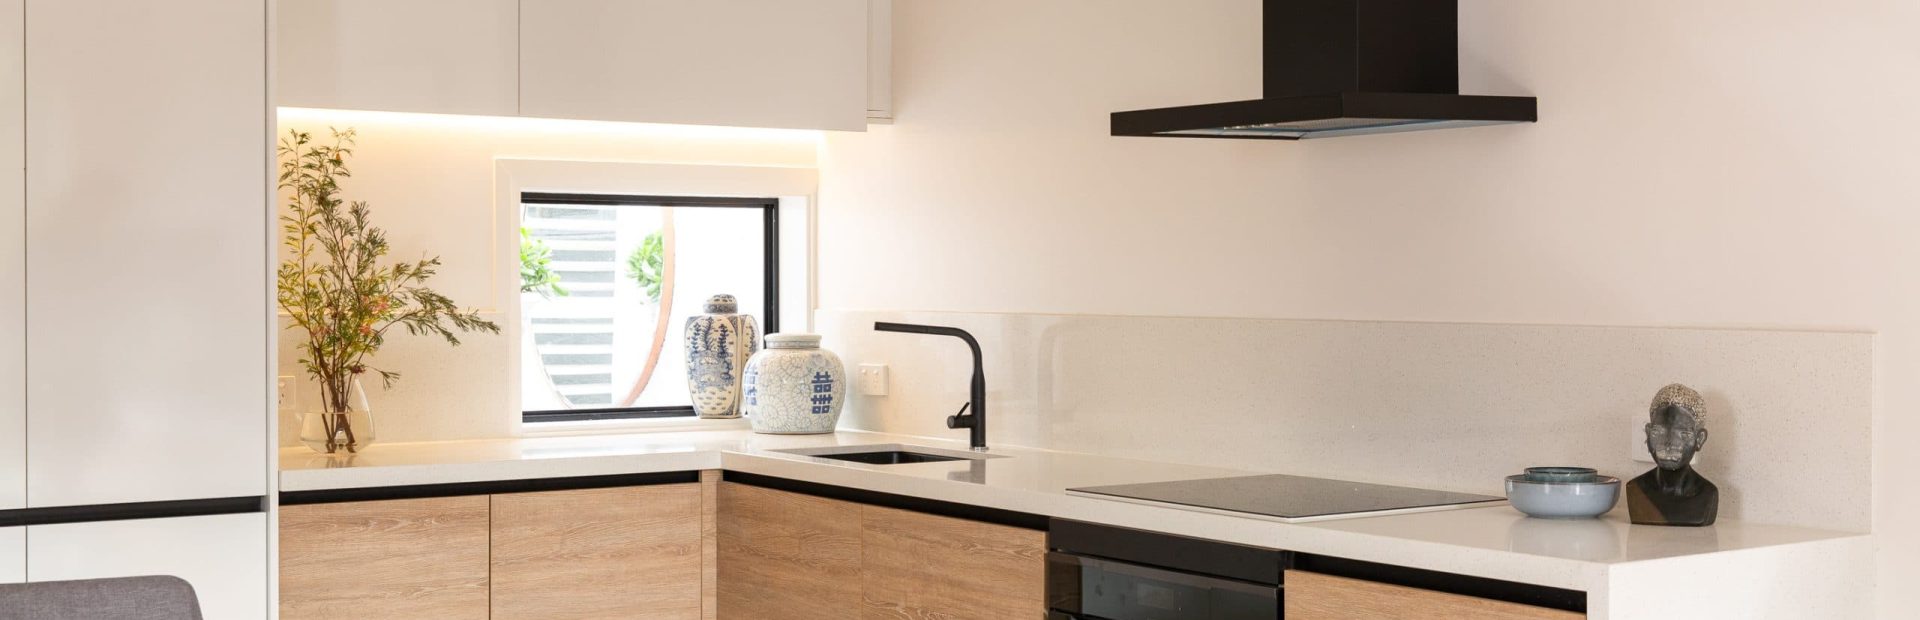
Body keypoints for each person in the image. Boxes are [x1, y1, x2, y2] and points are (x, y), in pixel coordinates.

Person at [1624, 383, 1719, 526]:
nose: (1668, 443)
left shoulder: (1706, 494)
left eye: (1683, 434)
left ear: (1699, 439)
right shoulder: (1636, 489)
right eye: (1659, 432)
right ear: (1648, 433)